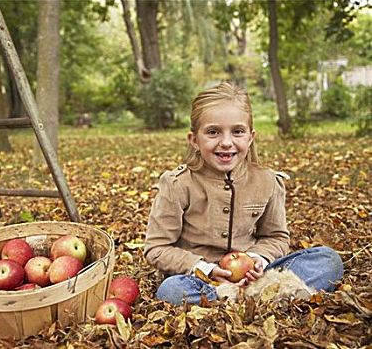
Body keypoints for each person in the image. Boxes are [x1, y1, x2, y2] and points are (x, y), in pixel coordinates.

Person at [144, 82, 343, 305]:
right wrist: (203, 268)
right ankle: (250, 297)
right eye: (213, 132)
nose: (226, 142)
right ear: (194, 141)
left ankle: (251, 294)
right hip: (200, 281)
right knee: (170, 291)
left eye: (237, 132)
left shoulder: (267, 181)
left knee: (329, 260)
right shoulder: (177, 184)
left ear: (250, 137)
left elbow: (276, 237)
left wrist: (258, 259)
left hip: (256, 276)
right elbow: (157, 248)